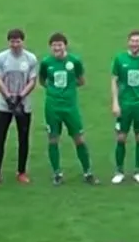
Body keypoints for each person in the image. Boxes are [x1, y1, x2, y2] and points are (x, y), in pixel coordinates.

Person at [39, 32, 98, 186]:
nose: (57, 48)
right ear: (50, 47)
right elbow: (42, 80)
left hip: (70, 107)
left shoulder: (74, 61)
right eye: (54, 45)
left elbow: (81, 80)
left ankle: (88, 172)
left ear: (65, 46)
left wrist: (68, 90)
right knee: (53, 138)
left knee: (79, 138)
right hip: (52, 107)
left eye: (60, 45)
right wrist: (54, 92)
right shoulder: (46, 62)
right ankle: (57, 173)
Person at [0, 28, 37, 187]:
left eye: (18, 41)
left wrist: (20, 96)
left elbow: (32, 80)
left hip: (23, 104)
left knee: (23, 138)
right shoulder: (2, 58)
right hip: (4, 104)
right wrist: (8, 98)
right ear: (8, 42)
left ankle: (21, 172)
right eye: (12, 41)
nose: (15, 44)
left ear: (23, 41)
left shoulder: (30, 58)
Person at [110, 29, 139, 184]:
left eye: (137, 41)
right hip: (124, 105)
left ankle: (138, 170)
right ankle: (119, 170)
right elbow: (114, 81)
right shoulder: (120, 59)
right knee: (121, 137)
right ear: (128, 42)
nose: (135, 43)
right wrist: (115, 102)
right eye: (132, 40)